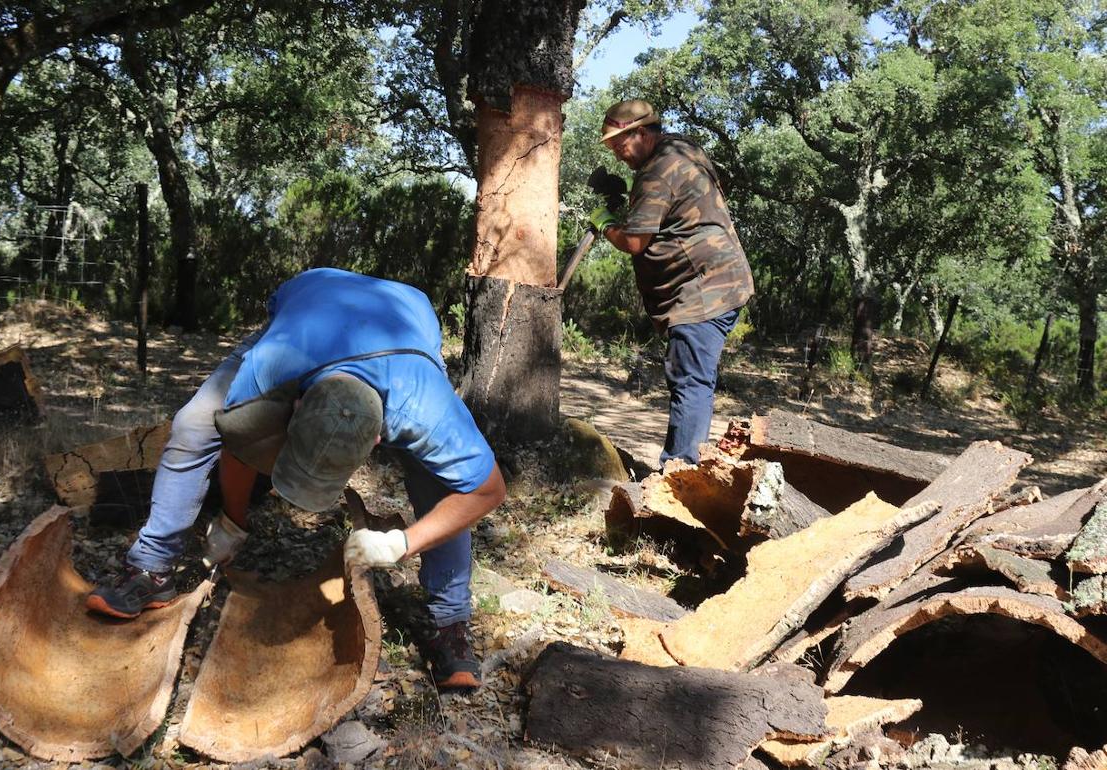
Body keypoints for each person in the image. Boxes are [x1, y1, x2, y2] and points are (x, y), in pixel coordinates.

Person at [86, 268, 506, 690]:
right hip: (307, 316)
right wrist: (233, 522)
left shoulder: (423, 409)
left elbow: (486, 489)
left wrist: (402, 544)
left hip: (403, 327)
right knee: (193, 426)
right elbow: (239, 442)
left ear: (379, 440)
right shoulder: (270, 372)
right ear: (297, 405)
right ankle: (151, 568)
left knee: (442, 481)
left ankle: (450, 621)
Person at [587, 99, 754, 467]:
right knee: (690, 378)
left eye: (620, 145)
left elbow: (634, 242)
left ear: (641, 132)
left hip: (703, 291)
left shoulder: (656, 171)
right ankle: (681, 468)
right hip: (719, 283)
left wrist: (605, 223)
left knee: (690, 381)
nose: (617, 155)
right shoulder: (683, 148)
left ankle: (679, 476)